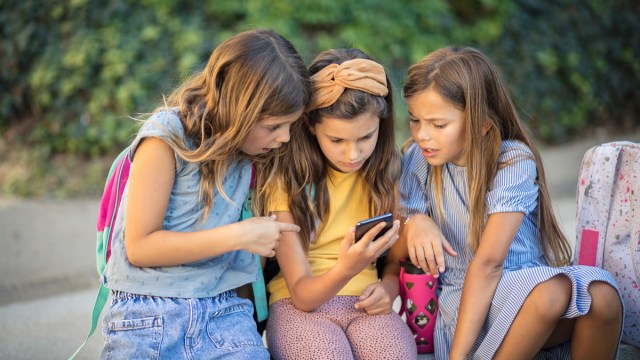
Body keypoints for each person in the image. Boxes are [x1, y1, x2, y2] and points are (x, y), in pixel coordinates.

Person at [397, 46, 624, 360]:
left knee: (603, 296)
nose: (422, 135)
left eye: (438, 125)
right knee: (550, 293)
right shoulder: (417, 161)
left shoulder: (511, 160)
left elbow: (491, 263)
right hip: (467, 308)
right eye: (415, 120)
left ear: (482, 124)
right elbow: (400, 220)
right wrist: (415, 220)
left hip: (526, 290)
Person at [99, 29, 310, 359]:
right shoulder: (166, 138)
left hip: (225, 313)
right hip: (148, 314)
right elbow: (140, 247)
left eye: (289, 126)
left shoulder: (252, 149)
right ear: (240, 110)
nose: (284, 137)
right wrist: (238, 235)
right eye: (273, 126)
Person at [262, 48, 417, 359]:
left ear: (381, 126)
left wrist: (388, 290)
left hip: (366, 304)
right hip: (298, 305)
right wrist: (348, 267)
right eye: (337, 141)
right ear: (309, 126)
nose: (353, 155)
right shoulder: (287, 179)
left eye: (366, 137)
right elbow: (303, 296)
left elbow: (393, 264)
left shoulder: (387, 172)